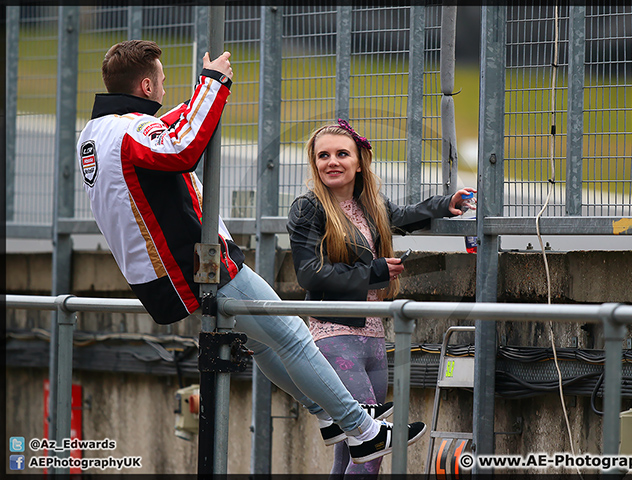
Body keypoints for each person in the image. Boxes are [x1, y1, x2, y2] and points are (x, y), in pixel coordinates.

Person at [76, 40, 426, 466]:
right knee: (294, 338)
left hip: (163, 274)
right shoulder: (130, 131)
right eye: (163, 82)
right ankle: (362, 430)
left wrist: (198, 96)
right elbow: (181, 148)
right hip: (201, 265)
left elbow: (168, 130)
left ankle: (329, 416)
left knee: (264, 345)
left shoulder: (96, 132)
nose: (166, 91)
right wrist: (214, 84)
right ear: (146, 85)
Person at [287, 120, 475, 477]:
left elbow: (402, 217)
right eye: (323, 155)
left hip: (372, 336)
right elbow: (309, 274)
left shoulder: (368, 205)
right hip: (334, 337)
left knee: (352, 452)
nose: (332, 162)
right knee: (372, 448)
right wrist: (372, 272)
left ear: (360, 161)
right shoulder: (308, 208)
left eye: (342, 154)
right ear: (314, 163)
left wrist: (444, 203)